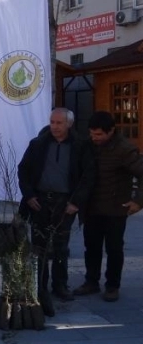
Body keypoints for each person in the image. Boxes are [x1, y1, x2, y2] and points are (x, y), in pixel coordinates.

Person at [18, 108, 95, 315]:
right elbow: (23, 170)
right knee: (39, 246)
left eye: (59, 123)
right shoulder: (38, 144)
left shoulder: (80, 146)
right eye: (52, 122)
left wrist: (76, 202)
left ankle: (60, 285)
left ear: (69, 124)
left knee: (61, 246)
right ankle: (39, 285)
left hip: (65, 202)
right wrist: (29, 196)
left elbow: (88, 176)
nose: (54, 126)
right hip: (40, 201)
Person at [73, 111, 143, 302]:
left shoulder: (125, 149)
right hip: (92, 207)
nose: (95, 138)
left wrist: (138, 201)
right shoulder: (88, 145)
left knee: (114, 248)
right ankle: (91, 281)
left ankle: (112, 286)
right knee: (91, 247)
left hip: (115, 209)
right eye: (92, 134)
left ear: (111, 131)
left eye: (99, 135)